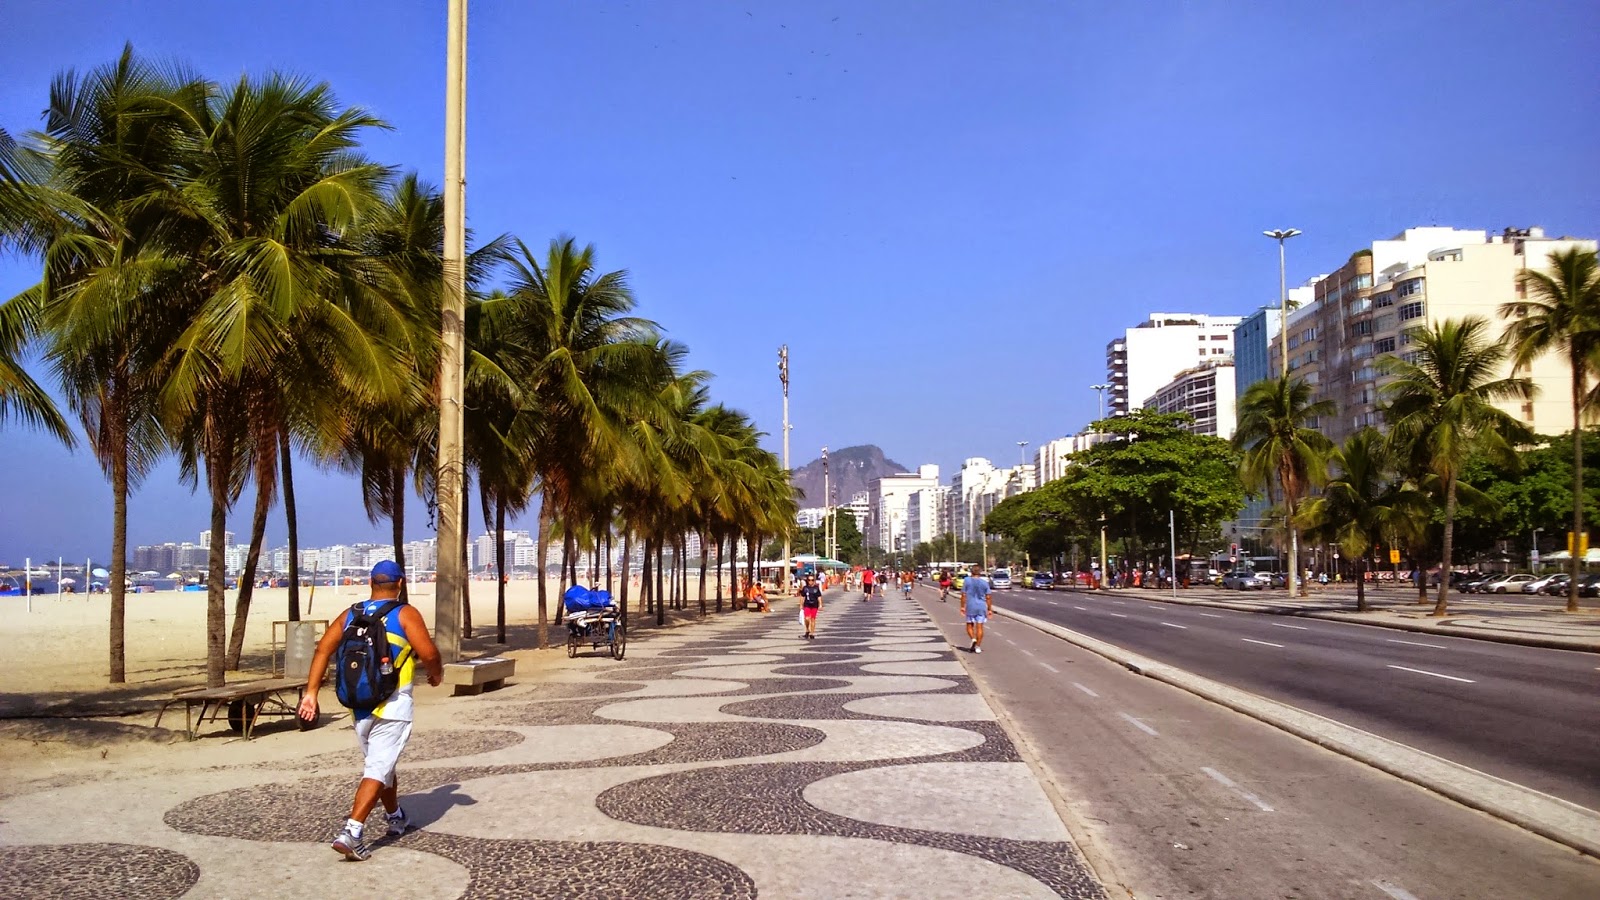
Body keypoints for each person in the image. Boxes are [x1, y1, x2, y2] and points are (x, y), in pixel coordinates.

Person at [298, 560, 443, 862]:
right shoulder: (405, 613)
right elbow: (428, 652)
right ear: (400, 584)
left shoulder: (351, 613)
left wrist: (310, 693)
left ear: (371, 583)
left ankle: (395, 816)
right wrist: (435, 673)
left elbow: (322, 649)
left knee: (382, 763)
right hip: (393, 703)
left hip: (359, 705)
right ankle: (352, 832)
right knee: (377, 768)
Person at [961, 565, 992, 654]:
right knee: (980, 627)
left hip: (970, 606)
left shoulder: (967, 581)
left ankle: (973, 638)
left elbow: (963, 595)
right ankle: (978, 646)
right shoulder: (984, 583)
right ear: (980, 572)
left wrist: (962, 606)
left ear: (971, 572)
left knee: (969, 625)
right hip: (982, 606)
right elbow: (988, 597)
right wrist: (989, 609)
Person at [799, 574, 823, 640]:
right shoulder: (805, 588)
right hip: (807, 605)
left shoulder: (816, 588)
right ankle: (807, 629)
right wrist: (801, 604)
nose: (810, 581)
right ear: (807, 581)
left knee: (813, 619)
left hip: (814, 605)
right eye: (809, 580)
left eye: (812, 580)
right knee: (807, 618)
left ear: (814, 581)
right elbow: (802, 596)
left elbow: (819, 597)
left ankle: (812, 633)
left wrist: (820, 604)